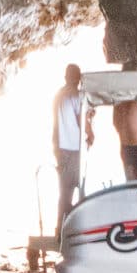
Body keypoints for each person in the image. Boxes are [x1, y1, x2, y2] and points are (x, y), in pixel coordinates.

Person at [52, 64, 95, 238]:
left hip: (60, 149)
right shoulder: (76, 96)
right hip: (74, 149)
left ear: (65, 77)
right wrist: (91, 133)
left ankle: (60, 229)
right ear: (78, 79)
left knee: (64, 192)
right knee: (80, 189)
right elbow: (81, 119)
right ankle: (76, 230)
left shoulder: (58, 96)